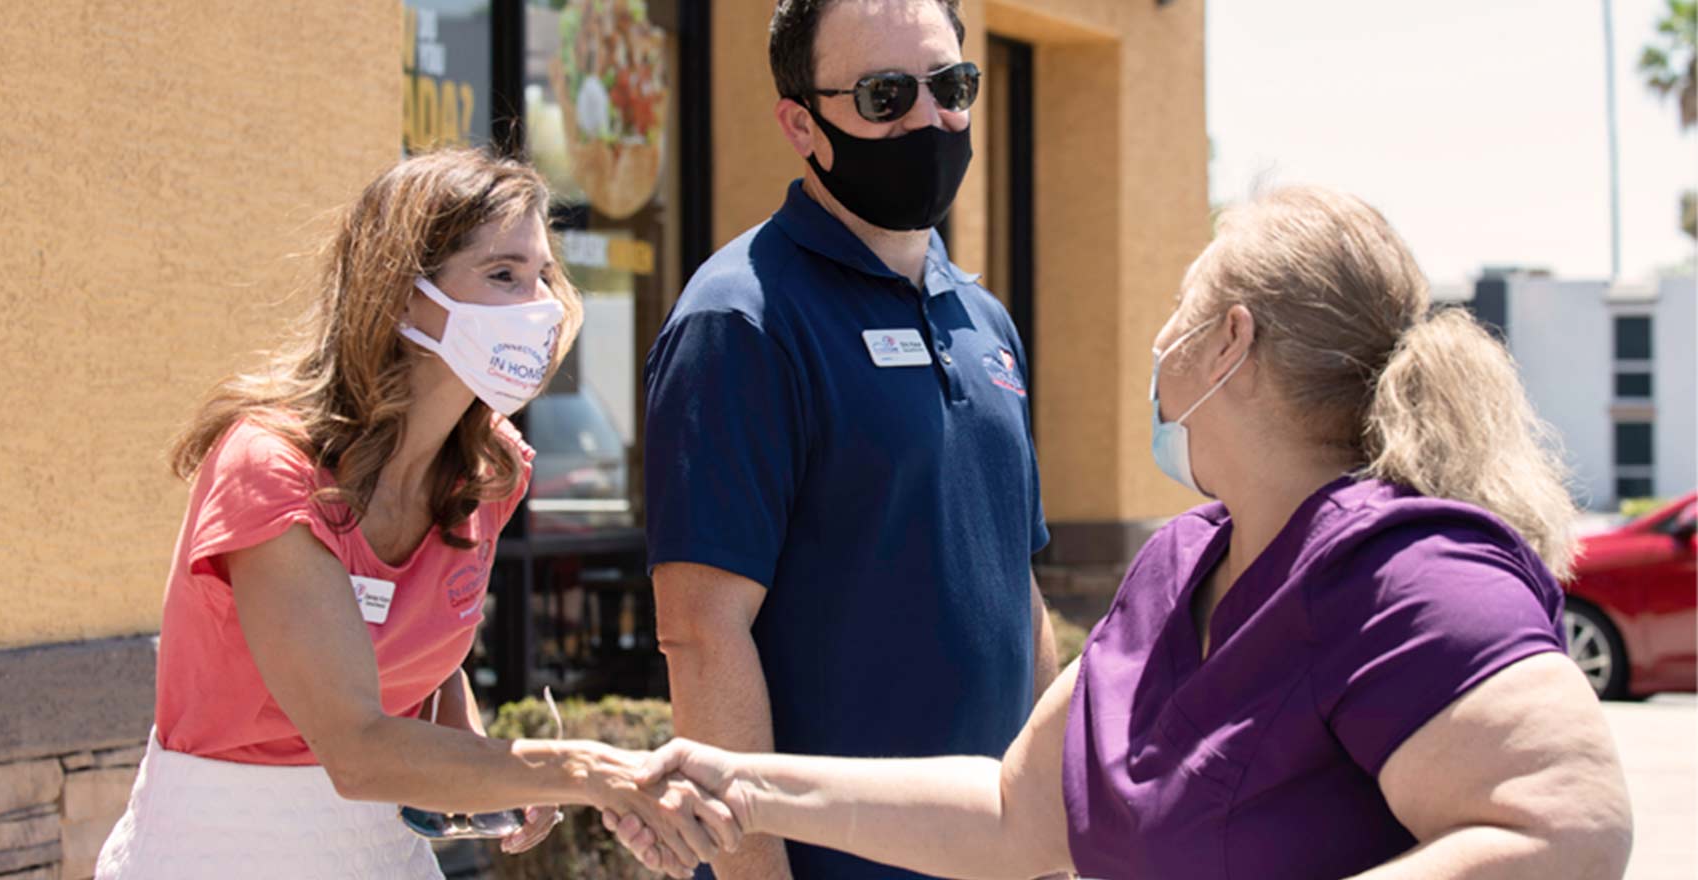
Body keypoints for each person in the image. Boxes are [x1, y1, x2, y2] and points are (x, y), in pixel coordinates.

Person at [611, 186, 1635, 879]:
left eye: (1184, 303)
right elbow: (1015, 815)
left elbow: (1570, 824)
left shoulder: (1405, 571)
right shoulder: (1180, 564)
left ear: (1230, 340)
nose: (1163, 335)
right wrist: (738, 781)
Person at [96, 149, 740, 880]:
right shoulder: (270, 469)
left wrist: (490, 767)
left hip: (381, 851)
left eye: (543, 278)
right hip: (219, 847)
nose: (536, 307)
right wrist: (585, 769)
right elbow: (360, 750)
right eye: (503, 275)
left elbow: (415, 649)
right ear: (402, 294)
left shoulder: (489, 468)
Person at [640, 1, 1058, 878]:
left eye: (952, 86)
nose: (928, 118)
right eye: (883, 95)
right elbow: (703, 633)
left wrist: (1050, 839)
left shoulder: (986, 322)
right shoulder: (741, 320)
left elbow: (1017, 592)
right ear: (802, 124)